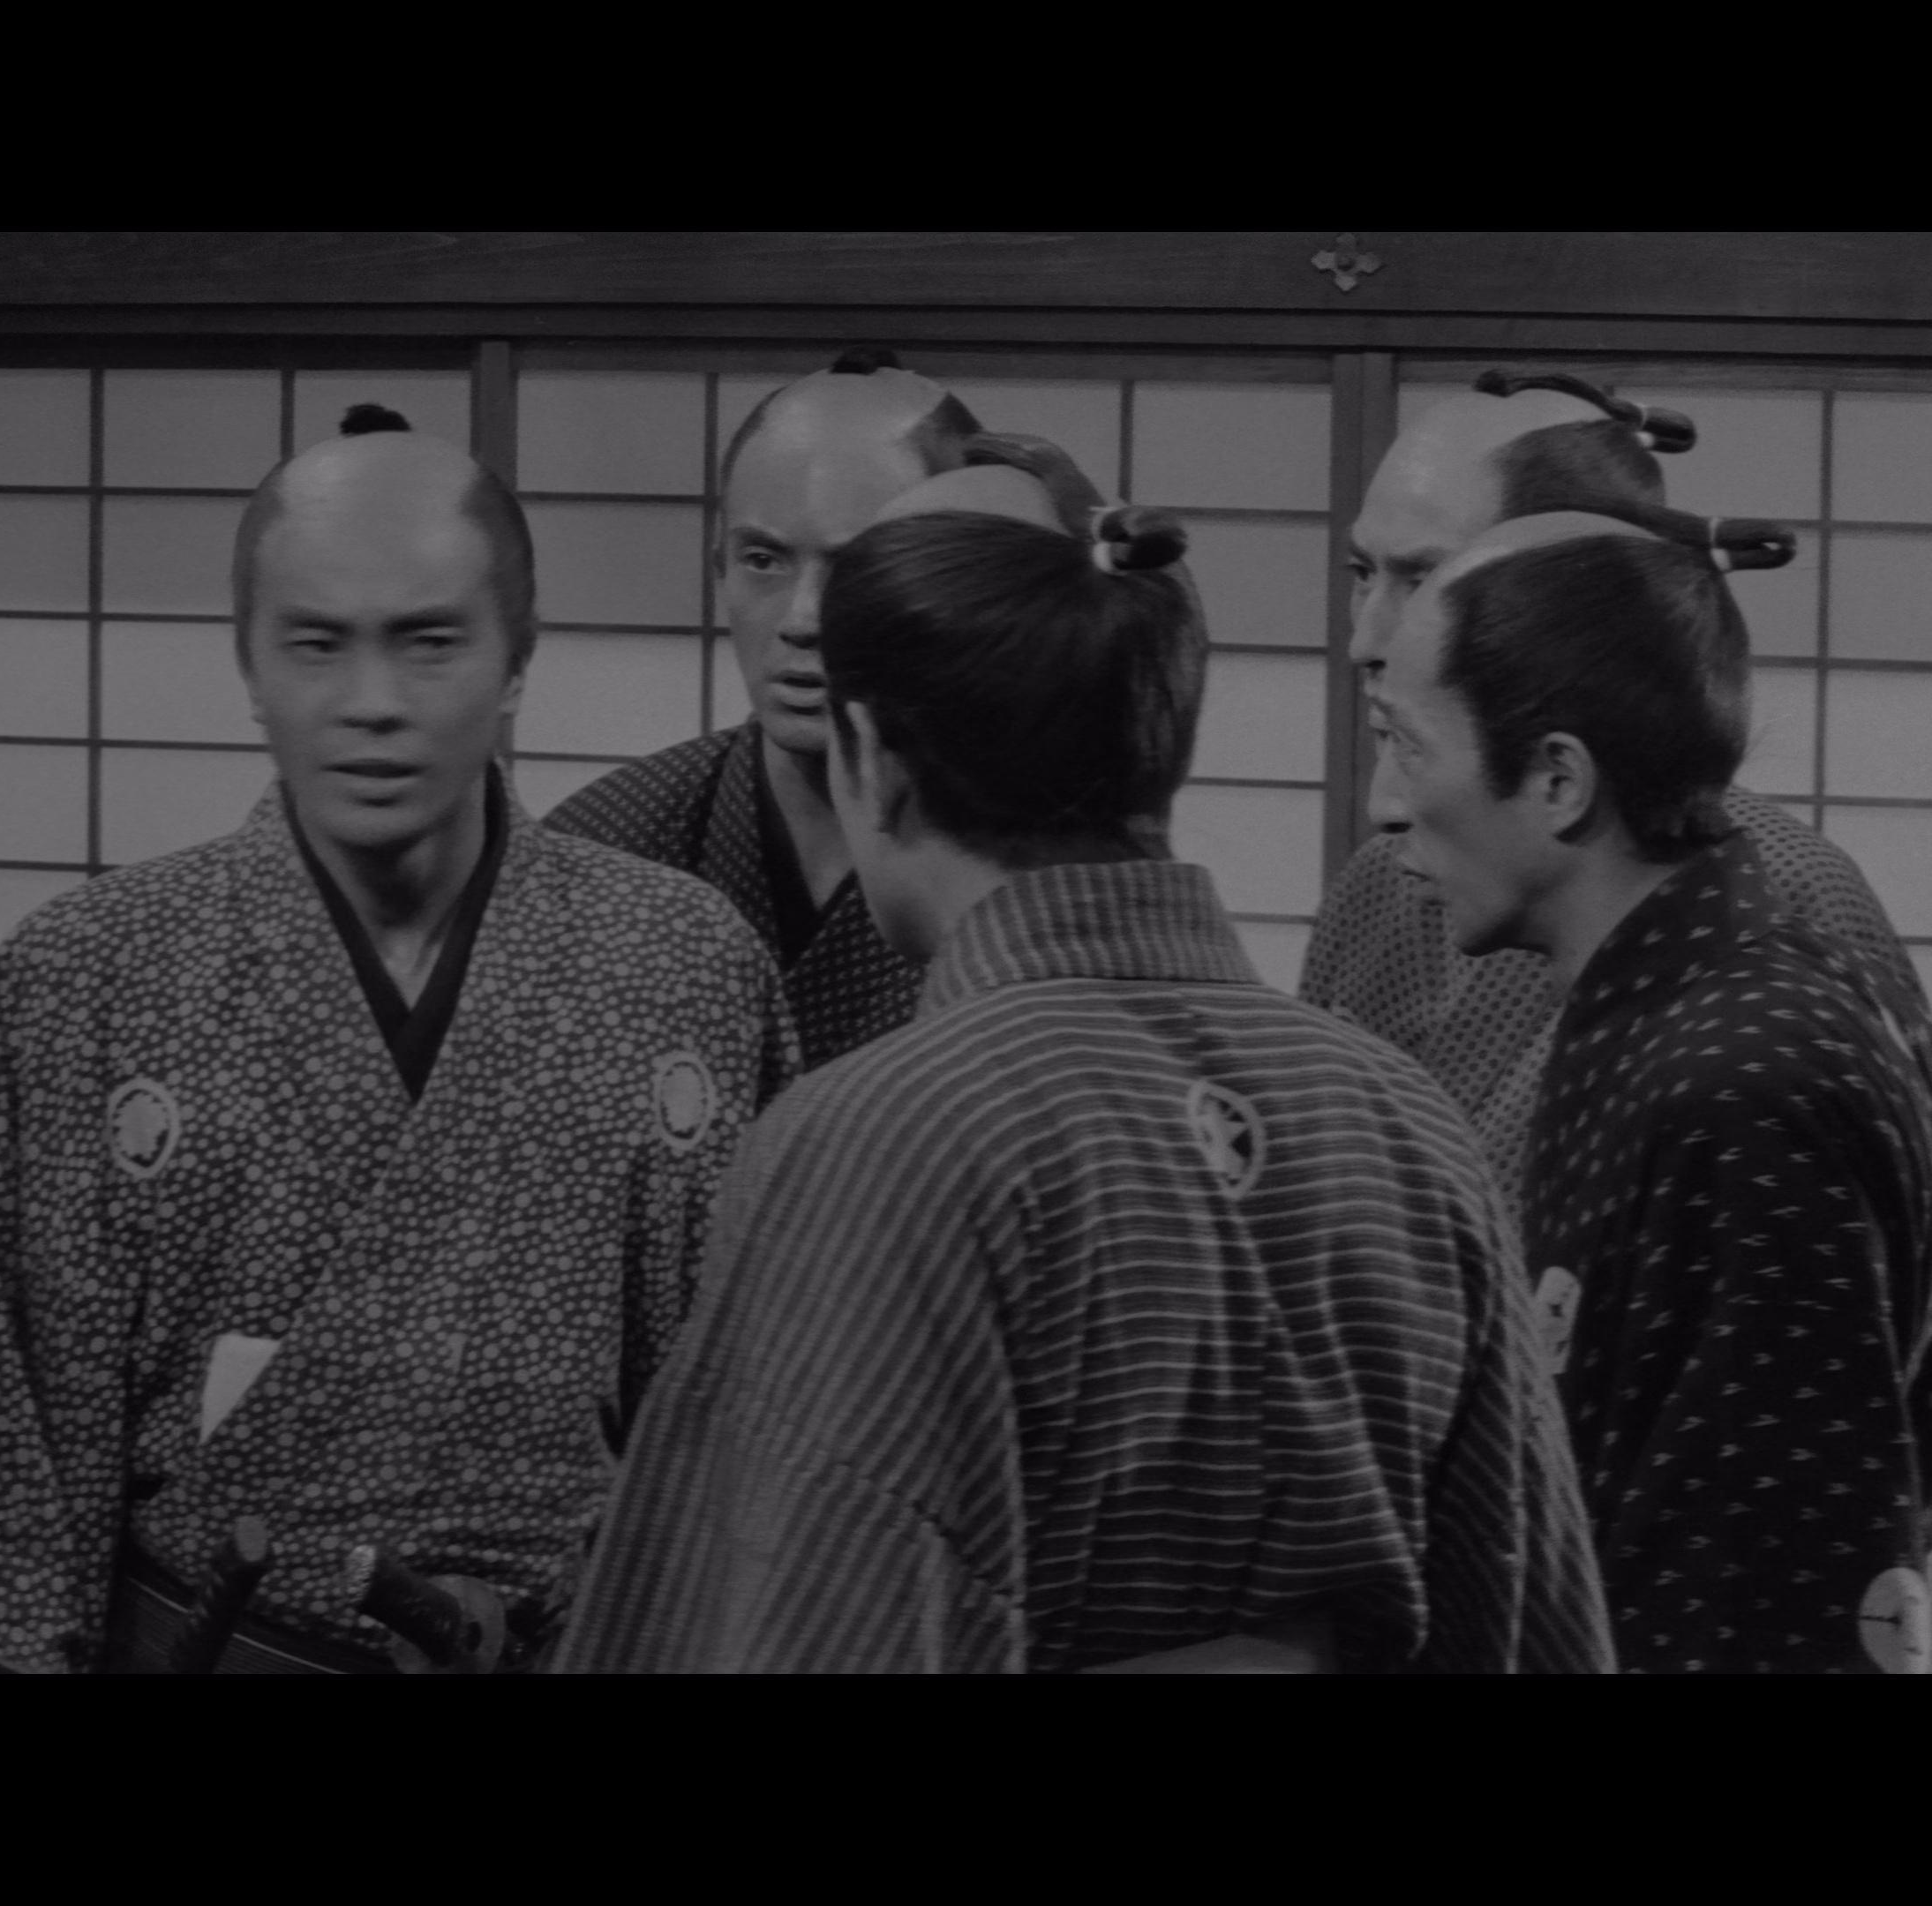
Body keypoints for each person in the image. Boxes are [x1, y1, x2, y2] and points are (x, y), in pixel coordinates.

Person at [0, 407, 794, 1674]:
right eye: (317, 644)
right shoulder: (84, 978)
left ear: (517, 662)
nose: (371, 703)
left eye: (430, 643)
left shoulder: (684, 964)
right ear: (250, 665)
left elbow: (753, 1432)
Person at [553, 501, 1608, 1674]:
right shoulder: (1401, 1123)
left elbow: (797, 1622)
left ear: (871, 759)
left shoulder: (882, 1134)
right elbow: (1533, 1621)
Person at [1364, 512, 1931, 1674]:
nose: (1384, 803)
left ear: (1557, 779)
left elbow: (1768, 1611)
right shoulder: (1670, 1004)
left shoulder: (1746, 1078)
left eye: (1407, 747)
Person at [1306, 370, 1927, 1212]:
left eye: (1423, 579)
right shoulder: (1389, 875)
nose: (1367, 639)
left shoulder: (1793, 896)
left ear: (1575, 586)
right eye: (1360, 573)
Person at [545, 347, 989, 1072]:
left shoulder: (1013, 866)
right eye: (763, 561)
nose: (802, 619)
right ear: (718, 566)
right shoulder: (606, 843)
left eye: (853, 568)